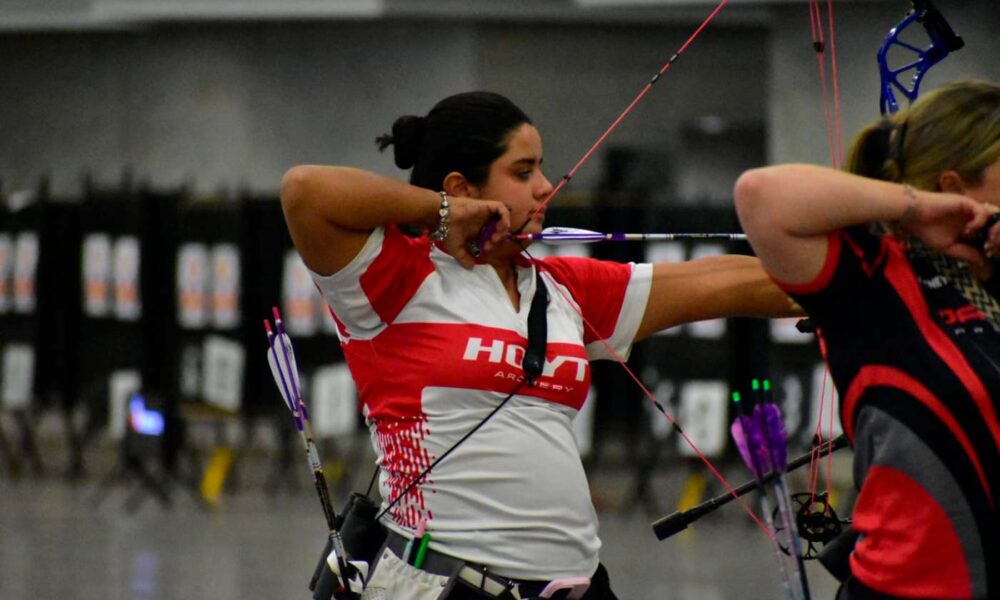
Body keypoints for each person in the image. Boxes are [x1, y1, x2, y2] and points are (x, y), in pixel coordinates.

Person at [281, 90, 799, 600]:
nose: (546, 187)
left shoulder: (563, 288)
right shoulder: (394, 277)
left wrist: (850, 281)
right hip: (447, 587)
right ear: (463, 187)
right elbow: (305, 191)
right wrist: (442, 212)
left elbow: (725, 280)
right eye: (524, 172)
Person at [734, 80, 1000, 600]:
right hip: (906, 588)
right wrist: (916, 207)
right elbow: (760, 196)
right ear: (957, 186)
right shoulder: (876, 278)